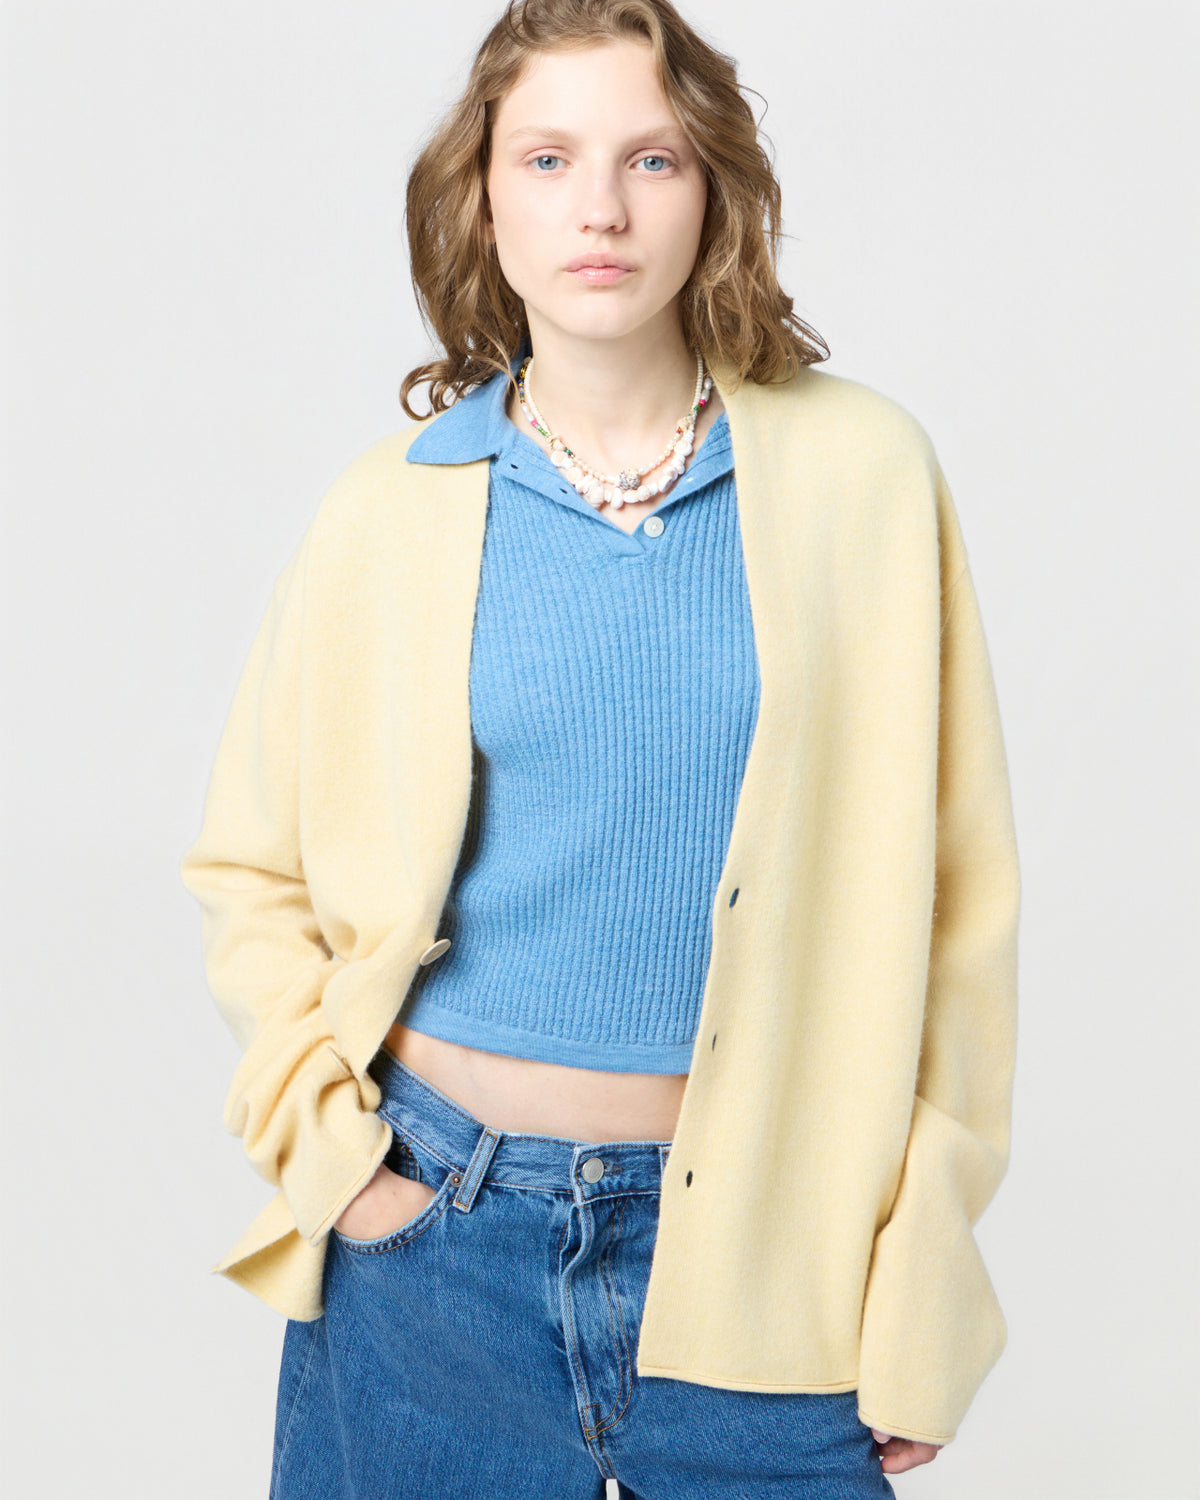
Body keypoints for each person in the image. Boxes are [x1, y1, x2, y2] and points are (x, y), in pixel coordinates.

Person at [180, 2, 1020, 1495]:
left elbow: (959, 916)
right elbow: (251, 871)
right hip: (433, 1245)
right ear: (483, 199)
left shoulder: (865, 479)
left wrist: (926, 1276)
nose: (602, 209)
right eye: (548, 157)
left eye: (653, 158)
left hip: (773, 1259)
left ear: (716, 190)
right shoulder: (389, 510)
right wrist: (344, 1174)